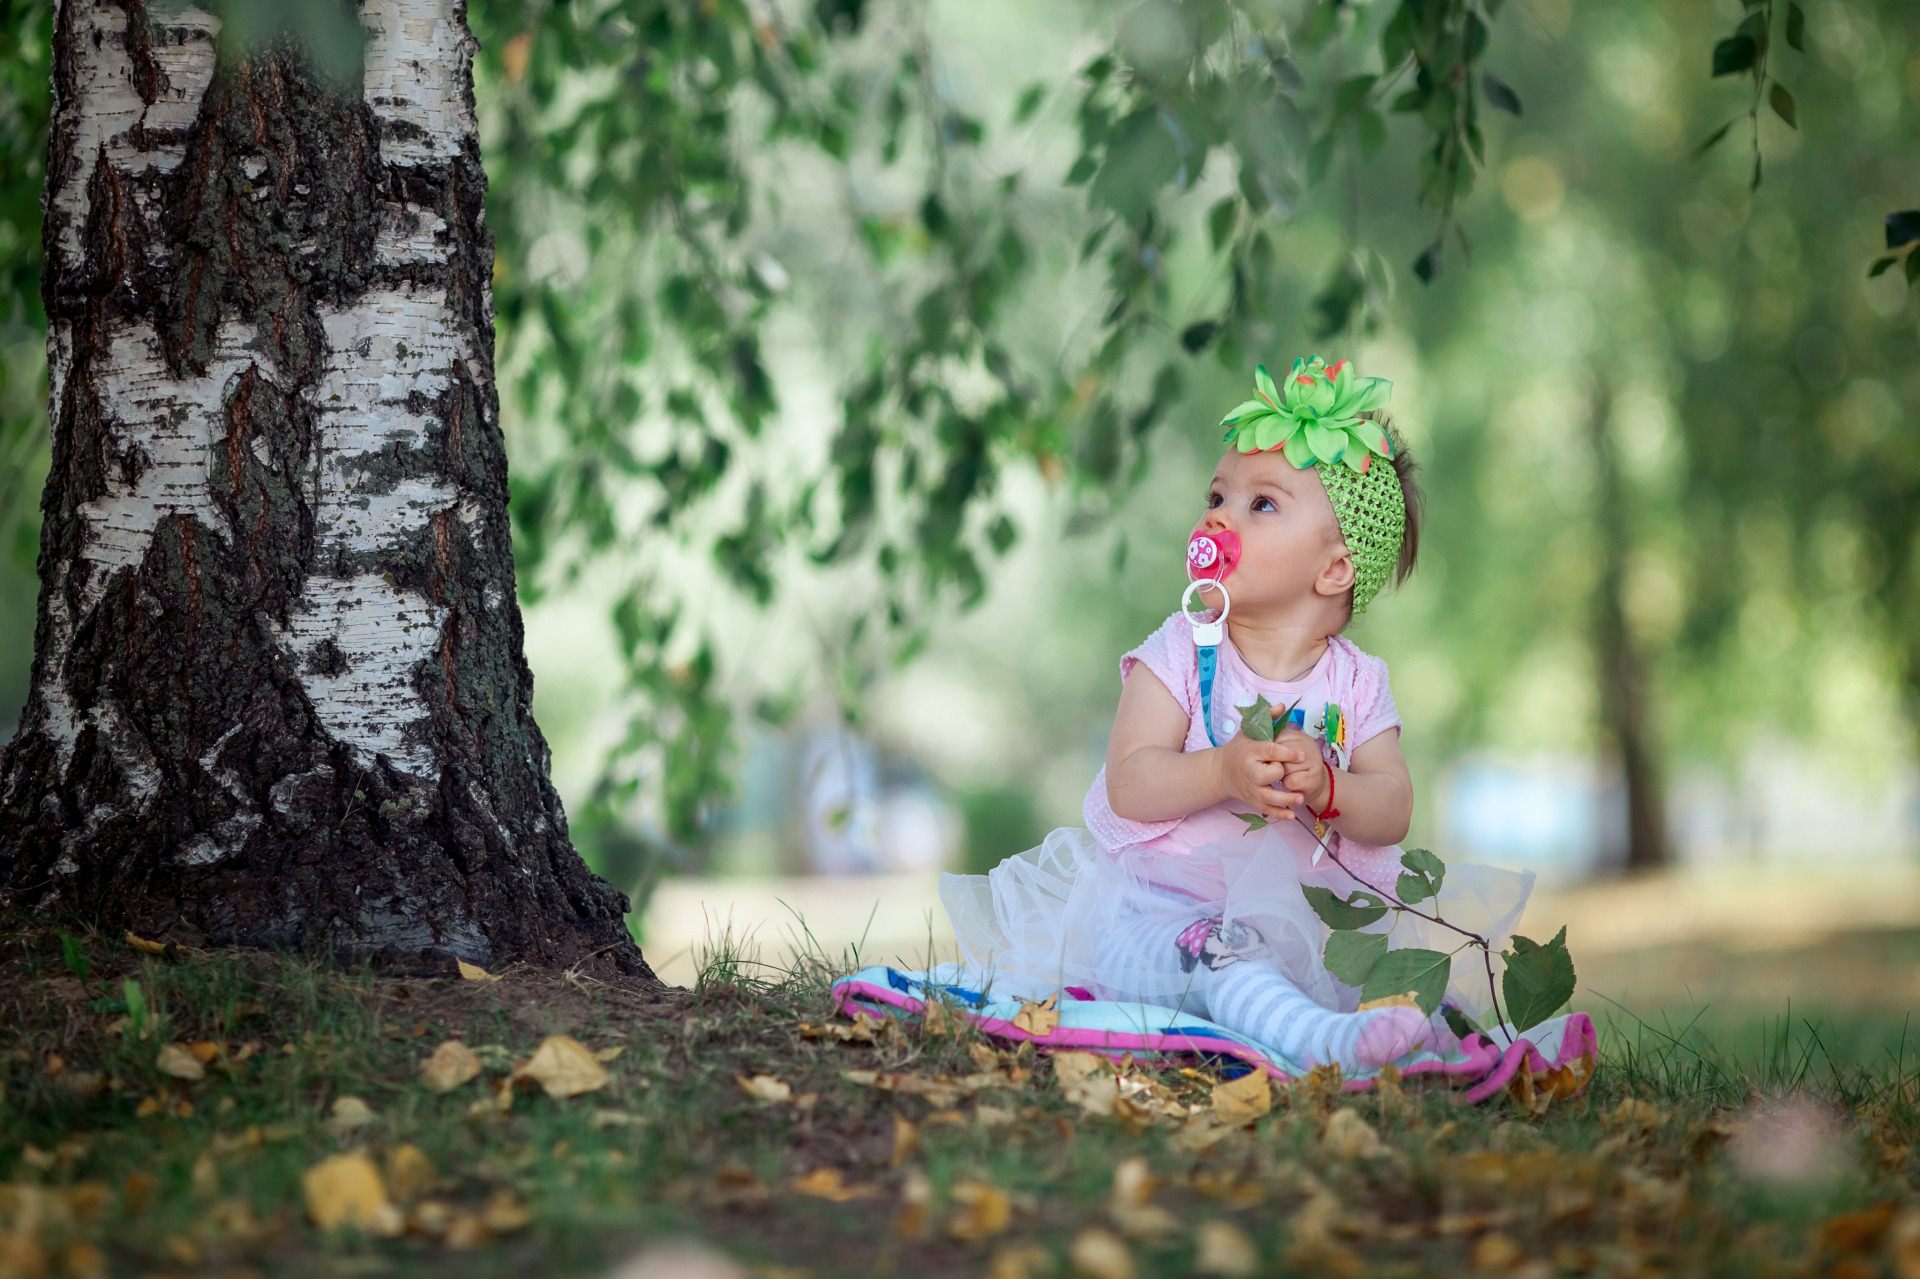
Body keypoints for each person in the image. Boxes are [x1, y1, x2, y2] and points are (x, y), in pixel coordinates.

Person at [939, 357, 1531, 1075]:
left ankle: (1437, 1042)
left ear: (1335, 569)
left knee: (1386, 981)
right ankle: (1319, 1043)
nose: (1218, 514)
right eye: (1217, 494)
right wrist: (1220, 769)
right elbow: (1129, 780)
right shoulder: (1182, 648)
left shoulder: (1357, 683)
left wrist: (1328, 788)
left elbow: (1394, 806)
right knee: (1223, 957)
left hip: (1307, 928)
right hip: (1161, 917)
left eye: (1263, 504)